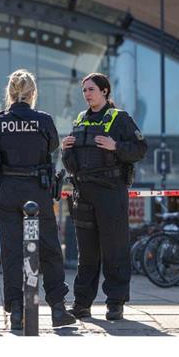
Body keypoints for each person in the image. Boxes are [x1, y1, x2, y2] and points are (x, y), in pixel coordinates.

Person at [0, 69, 76, 331]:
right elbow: (52, 149)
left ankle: (16, 311)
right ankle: (57, 309)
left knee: (11, 252)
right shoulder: (44, 120)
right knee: (49, 249)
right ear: (33, 93)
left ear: (10, 93)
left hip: (9, 190)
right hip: (37, 190)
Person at [61, 72, 148, 321]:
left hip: (110, 191)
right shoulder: (80, 120)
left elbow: (140, 149)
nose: (86, 94)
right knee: (86, 253)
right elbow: (71, 163)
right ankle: (81, 304)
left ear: (104, 91)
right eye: (84, 90)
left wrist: (116, 147)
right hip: (83, 193)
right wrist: (66, 150)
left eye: (91, 89)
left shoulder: (120, 119)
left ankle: (115, 303)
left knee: (114, 249)